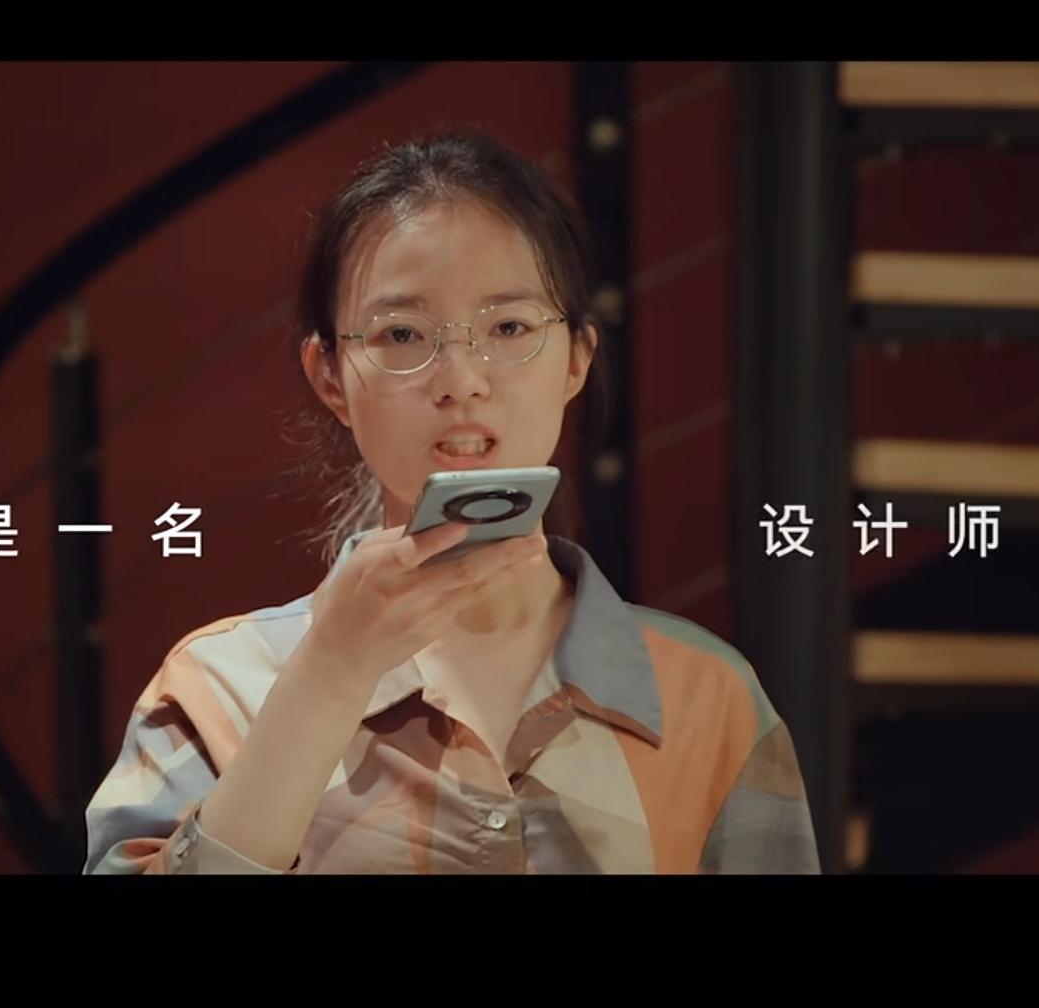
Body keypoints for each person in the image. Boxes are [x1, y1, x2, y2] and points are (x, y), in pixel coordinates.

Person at [81, 128, 819, 874]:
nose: (462, 380)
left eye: (509, 327)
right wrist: (329, 675)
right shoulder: (218, 689)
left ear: (576, 359)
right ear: (329, 376)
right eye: (402, 333)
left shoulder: (706, 695)